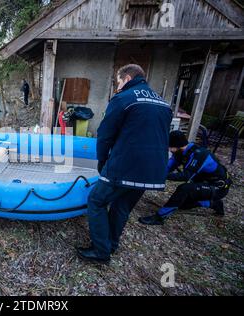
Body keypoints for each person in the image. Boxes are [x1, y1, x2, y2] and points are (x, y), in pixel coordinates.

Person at [77, 64, 173, 265]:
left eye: (118, 82)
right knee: (122, 206)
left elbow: (105, 134)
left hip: (126, 164)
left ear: (127, 79)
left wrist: (103, 162)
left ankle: (101, 252)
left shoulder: (123, 99)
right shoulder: (163, 103)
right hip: (153, 169)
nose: (117, 86)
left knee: (96, 201)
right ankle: (111, 244)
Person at [138, 130, 231, 225]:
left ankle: (159, 217)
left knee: (184, 189)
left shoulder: (200, 155)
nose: (169, 149)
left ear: (177, 145)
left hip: (218, 188)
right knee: (183, 205)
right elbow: (168, 167)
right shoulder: (180, 153)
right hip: (204, 183)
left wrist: (164, 176)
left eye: (170, 146)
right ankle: (213, 203)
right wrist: (154, 174)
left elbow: (186, 176)